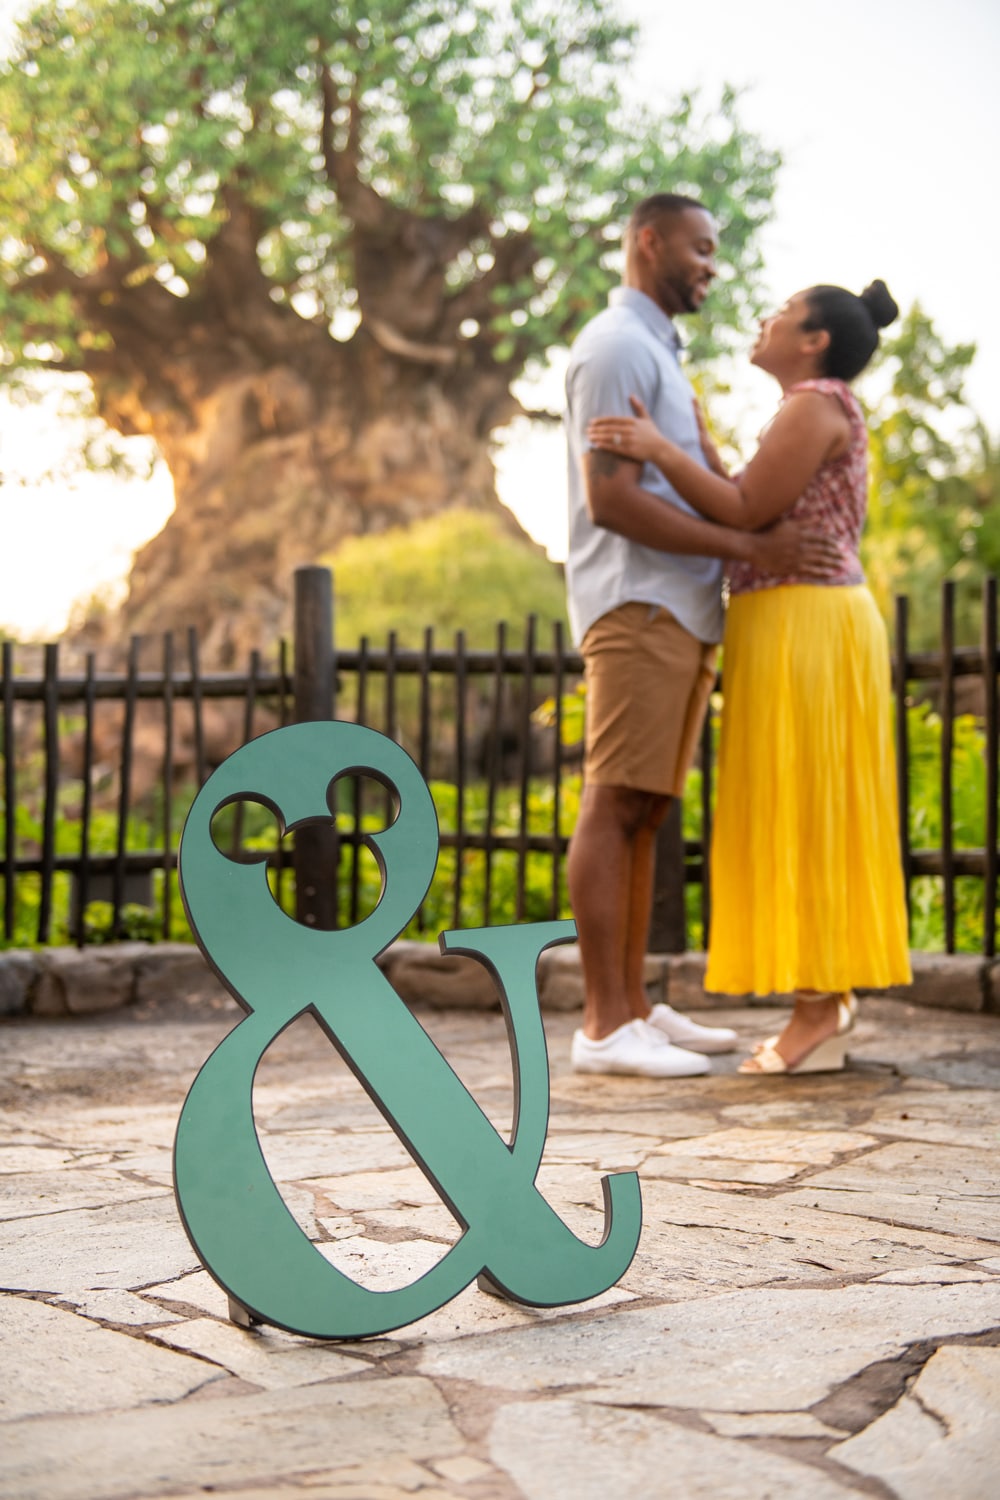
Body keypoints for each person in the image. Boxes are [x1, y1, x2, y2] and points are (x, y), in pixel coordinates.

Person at [586, 279, 912, 1074]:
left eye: (782, 312)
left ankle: (819, 1003)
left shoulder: (816, 404)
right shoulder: (809, 408)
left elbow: (741, 509)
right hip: (787, 622)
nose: (765, 318)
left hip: (809, 623)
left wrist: (661, 449)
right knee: (793, 802)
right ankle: (822, 994)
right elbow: (754, 505)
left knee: (807, 807)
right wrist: (692, 441)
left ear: (814, 340)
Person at [564, 193, 841, 1079]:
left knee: (646, 808)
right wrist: (747, 546)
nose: (713, 267)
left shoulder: (657, 355)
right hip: (637, 602)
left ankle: (636, 1006)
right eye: (702, 248)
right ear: (650, 243)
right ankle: (605, 1025)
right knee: (615, 801)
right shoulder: (614, 348)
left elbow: (688, 482)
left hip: (678, 608)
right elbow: (611, 498)